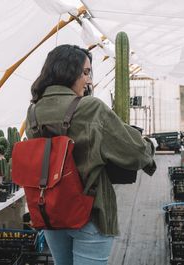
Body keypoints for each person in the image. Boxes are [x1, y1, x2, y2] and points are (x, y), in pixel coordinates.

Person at [25, 44, 156, 265]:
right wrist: (149, 145)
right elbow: (133, 152)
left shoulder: (33, 112)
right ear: (68, 71)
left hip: (51, 212)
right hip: (90, 214)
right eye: (85, 72)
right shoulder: (90, 108)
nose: (88, 80)